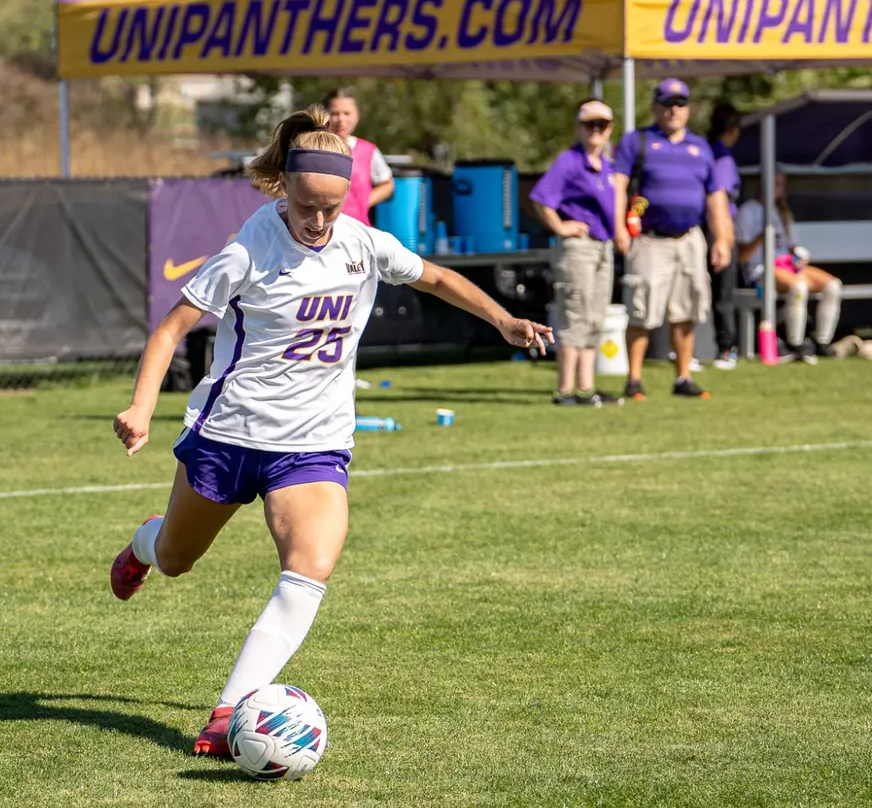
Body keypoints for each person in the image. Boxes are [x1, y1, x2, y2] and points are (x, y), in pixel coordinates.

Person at [109, 106, 553, 758]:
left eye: (332, 207)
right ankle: (143, 546)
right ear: (285, 187)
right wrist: (143, 407)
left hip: (312, 444)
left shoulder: (361, 243)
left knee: (309, 568)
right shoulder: (248, 249)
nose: (319, 221)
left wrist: (503, 320)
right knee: (178, 558)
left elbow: (437, 277)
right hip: (229, 435)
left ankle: (229, 710)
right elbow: (171, 329)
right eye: (308, 206)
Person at [610, 78, 734, 400]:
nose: (673, 110)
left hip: (689, 238)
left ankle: (683, 377)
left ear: (688, 109)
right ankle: (634, 378)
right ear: (655, 107)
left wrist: (721, 238)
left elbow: (715, 196)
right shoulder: (637, 141)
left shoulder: (701, 147)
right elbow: (618, 187)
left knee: (686, 309)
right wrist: (620, 228)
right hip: (650, 239)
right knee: (642, 310)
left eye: (680, 104)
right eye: (667, 104)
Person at [527, 99, 622, 405]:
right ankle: (565, 389)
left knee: (595, 316)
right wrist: (561, 226)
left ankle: (586, 386)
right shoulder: (569, 161)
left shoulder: (607, 165)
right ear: (579, 128)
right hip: (579, 249)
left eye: (602, 125)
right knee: (575, 314)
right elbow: (541, 198)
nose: (596, 131)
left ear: (609, 130)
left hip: (602, 247)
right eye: (590, 124)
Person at [733, 170, 842, 363]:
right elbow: (742, 257)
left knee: (833, 285)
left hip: (786, 265)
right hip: (761, 269)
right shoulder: (748, 211)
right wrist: (762, 236)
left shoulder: (782, 212)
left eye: (781, 184)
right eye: (774, 183)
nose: (778, 189)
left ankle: (822, 341)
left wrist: (798, 254)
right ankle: (796, 343)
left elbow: (789, 246)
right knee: (798, 287)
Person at [325, 88, 395, 225]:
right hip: (322, 230)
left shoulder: (368, 151)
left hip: (358, 229)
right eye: (335, 113)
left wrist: (364, 201)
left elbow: (388, 184)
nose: (341, 119)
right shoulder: (315, 149)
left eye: (347, 113)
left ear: (356, 116)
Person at [707, 102, 743, 370]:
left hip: (705, 228)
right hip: (718, 228)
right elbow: (720, 197)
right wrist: (725, 237)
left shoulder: (706, 151)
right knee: (723, 294)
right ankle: (725, 348)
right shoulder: (721, 157)